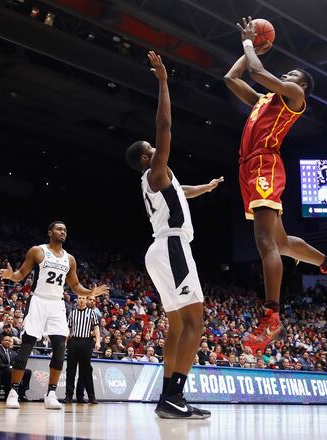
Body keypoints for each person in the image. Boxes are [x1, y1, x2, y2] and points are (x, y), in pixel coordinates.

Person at [224, 17, 327, 355]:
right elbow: (231, 77)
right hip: (248, 168)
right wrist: (250, 49)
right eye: (288, 74)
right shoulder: (263, 102)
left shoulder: (294, 96)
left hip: (265, 164)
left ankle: (272, 316)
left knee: (265, 243)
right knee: (280, 242)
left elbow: (259, 74)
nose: (287, 77)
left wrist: (251, 44)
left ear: (302, 86)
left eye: (293, 75)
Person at [124, 51, 221, 420]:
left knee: (179, 324)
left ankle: (169, 398)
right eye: (152, 152)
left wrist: (206, 188)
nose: (158, 150)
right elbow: (164, 127)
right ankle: (173, 396)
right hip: (172, 246)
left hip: (162, 248)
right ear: (147, 159)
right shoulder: (155, 172)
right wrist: (164, 81)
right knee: (195, 322)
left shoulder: (161, 182)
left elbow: (182, 192)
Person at [0, 221, 108, 409]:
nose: (63, 231)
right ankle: (13, 392)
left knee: (59, 347)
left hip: (57, 303)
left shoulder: (70, 259)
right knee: (27, 344)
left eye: (65, 229)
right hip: (38, 300)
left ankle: (51, 394)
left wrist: (90, 292)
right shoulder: (37, 251)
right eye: (59, 229)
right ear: (50, 232)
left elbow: (75, 286)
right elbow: (21, 274)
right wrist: (10, 276)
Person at [64, 295, 100, 404]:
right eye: (79, 298)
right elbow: (68, 329)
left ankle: (90, 396)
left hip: (87, 342)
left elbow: (96, 327)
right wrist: (65, 343)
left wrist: (98, 341)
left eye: (83, 298)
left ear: (86, 300)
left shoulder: (91, 312)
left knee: (86, 371)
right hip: (74, 341)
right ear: (77, 300)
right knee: (70, 370)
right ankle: (68, 396)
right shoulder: (72, 313)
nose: (81, 300)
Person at [0, 336, 30, 402]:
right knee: (9, 371)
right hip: (1, 372)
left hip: (11, 370)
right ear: (2, 342)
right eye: (6, 340)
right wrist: (10, 367)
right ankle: (7, 394)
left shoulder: (13, 352)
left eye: (9, 341)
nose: (8, 342)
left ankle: (22, 394)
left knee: (28, 372)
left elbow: (15, 363)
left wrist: (14, 367)